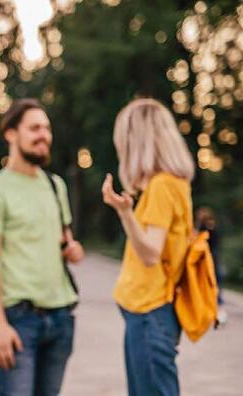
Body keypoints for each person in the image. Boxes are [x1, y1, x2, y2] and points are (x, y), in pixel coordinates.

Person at [0, 98, 85, 396]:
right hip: (21, 322)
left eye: (47, 128)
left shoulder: (55, 185)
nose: (44, 135)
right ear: (11, 133)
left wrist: (73, 250)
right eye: (35, 128)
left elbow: (67, 240)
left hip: (61, 318)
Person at [102, 98, 195, 396]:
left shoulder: (162, 186)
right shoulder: (175, 184)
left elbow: (151, 253)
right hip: (152, 314)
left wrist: (125, 212)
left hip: (149, 314)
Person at [195, 206, 227, 324]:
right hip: (210, 259)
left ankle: (218, 311)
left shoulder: (207, 226)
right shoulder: (205, 226)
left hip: (211, 260)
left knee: (214, 285)